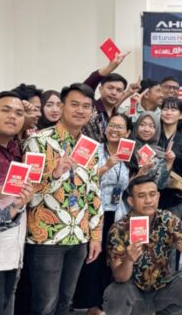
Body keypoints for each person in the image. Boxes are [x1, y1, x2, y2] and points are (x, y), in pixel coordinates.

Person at [24, 83, 104, 315]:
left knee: (66, 302)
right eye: (74, 104)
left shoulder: (90, 146)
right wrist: (54, 174)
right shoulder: (39, 141)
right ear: (62, 107)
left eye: (86, 106)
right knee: (45, 304)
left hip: (78, 235)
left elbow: (93, 192)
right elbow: (27, 191)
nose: (80, 110)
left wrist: (95, 235)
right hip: (46, 236)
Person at [103, 175, 182, 315]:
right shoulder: (119, 229)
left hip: (161, 286)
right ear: (131, 201)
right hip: (132, 290)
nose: (148, 200)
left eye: (152, 194)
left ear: (158, 196)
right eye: (141, 196)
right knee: (115, 296)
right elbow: (119, 277)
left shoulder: (168, 220)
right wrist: (129, 260)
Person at [72, 113, 133, 314]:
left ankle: (104, 303)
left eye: (120, 127)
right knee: (92, 258)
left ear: (128, 133)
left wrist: (139, 175)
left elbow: (123, 187)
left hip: (116, 214)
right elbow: (78, 179)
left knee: (110, 258)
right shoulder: (92, 149)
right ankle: (91, 304)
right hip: (93, 212)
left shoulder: (127, 156)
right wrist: (106, 166)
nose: (114, 130)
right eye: (111, 125)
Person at [0, 91, 35, 315]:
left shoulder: (16, 148)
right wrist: (7, 191)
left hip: (11, 251)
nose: (12, 116)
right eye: (5, 110)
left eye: (19, 113)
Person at [129, 112, 175, 192]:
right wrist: (140, 173)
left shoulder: (159, 153)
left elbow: (160, 185)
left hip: (147, 197)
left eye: (152, 126)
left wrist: (169, 163)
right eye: (142, 125)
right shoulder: (127, 147)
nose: (146, 129)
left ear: (157, 130)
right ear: (136, 126)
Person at [83, 73, 128, 143]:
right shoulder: (90, 107)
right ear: (100, 89)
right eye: (110, 88)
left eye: (119, 90)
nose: (114, 93)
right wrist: (109, 68)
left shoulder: (116, 115)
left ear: (122, 94)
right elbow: (86, 87)